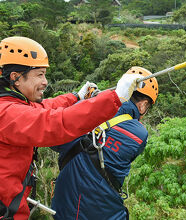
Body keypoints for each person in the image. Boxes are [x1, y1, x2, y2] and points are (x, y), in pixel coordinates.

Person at [0, 36, 144, 220]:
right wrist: (115, 98)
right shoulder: (7, 113)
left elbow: (44, 108)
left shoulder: (11, 104)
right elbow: (54, 122)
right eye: (39, 74)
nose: (45, 81)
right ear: (16, 78)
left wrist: (76, 97)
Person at [51, 67, 159, 220]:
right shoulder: (139, 134)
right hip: (106, 212)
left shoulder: (83, 111)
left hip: (63, 209)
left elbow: (55, 141)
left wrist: (86, 101)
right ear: (143, 105)